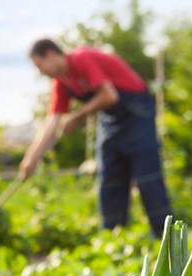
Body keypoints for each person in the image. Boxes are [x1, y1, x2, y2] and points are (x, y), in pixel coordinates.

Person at [19, 39, 173, 238]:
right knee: (109, 180)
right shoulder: (61, 82)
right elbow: (52, 121)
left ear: (50, 54)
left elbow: (109, 96)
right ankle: (112, 241)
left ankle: (166, 240)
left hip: (137, 114)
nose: (40, 72)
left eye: (39, 65)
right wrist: (31, 158)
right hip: (110, 120)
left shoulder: (82, 58)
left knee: (147, 178)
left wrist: (77, 115)